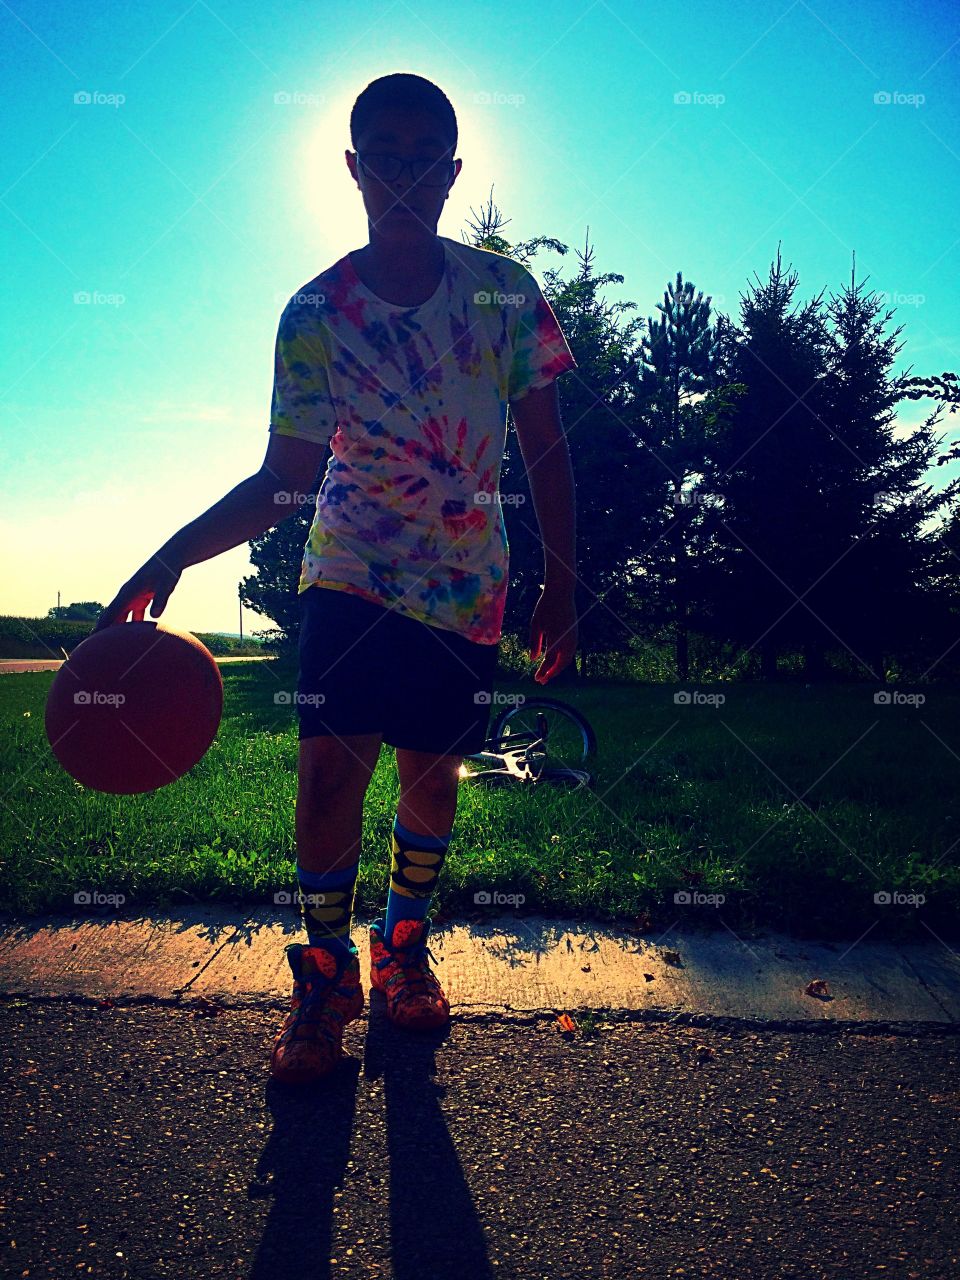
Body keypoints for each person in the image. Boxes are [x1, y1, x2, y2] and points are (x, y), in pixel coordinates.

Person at [94, 72, 579, 1085]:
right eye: (383, 156)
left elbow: (545, 447)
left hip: (465, 583)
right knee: (325, 779)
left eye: (423, 159)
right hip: (349, 568)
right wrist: (174, 551)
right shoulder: (317, 310)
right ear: (353, 168)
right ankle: (323, 978)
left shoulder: (503, 294)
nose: (402, 176)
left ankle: (402, 944)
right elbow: (285, 478)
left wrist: (562, 583)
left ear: (452, 173)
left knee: (431, 778)